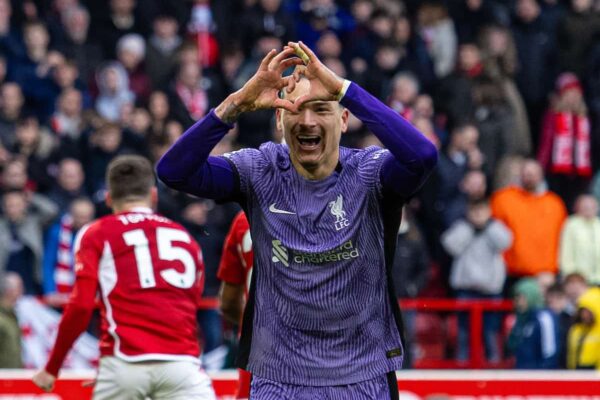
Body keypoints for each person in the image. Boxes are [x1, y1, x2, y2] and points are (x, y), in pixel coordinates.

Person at [157, 42, 438, 399]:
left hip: (361, 379)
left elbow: (424, 156)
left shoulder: (371, 174)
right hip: (280, 381)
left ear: (344, 118)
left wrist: (346, 91)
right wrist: (236, 105)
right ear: (278, 119)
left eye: (322, 109)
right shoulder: (259, 169)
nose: (307, 121)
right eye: (296, 109)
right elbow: (173, 171)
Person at [32, 155, 216, 399]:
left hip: (124, 361)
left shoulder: (96, 232)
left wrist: (52, 368)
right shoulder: (184, 237)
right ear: (153, 195)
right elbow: (189, 302)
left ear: (109, 199)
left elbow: (81, 306)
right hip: (183, 366)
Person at [441, 198, 512, 363]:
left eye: (482, 211)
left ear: (489, 211)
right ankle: (461, 366)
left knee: (490, 333)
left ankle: (493, 367)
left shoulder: (495, 228)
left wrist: (488, 226)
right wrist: (470, 227)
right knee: (463, 333)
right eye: (474, 211)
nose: (478, 215)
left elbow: (506, 242)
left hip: (490, 291)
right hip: (466, 290)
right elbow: (450, 245)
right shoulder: (462, 228)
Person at [217, 210, 253, 399]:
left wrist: (249, 324)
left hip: (259, 345)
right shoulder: (332, 205)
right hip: (328, 346)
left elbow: (228, 302)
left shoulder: (244, 217)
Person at [507, 278, 559, 369]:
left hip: (539, 376)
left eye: (522, 298)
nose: (518, 302)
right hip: (521, 374)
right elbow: (512, 347)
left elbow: (550, 353)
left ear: (532, 296)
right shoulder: (519, 319)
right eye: (516, 297)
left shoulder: (544, 318)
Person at [566, 287, 600, 370]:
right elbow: (571, 355)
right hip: (578, 371)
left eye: (588, 312)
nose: (585, 316)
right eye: (582, 311)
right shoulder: (575, 330)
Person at [0, 272, 23, 368]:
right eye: (19, 287)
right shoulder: (2, 320)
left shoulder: (12, 316)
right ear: (9, 291)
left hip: (13, 377)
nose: (22, 291)